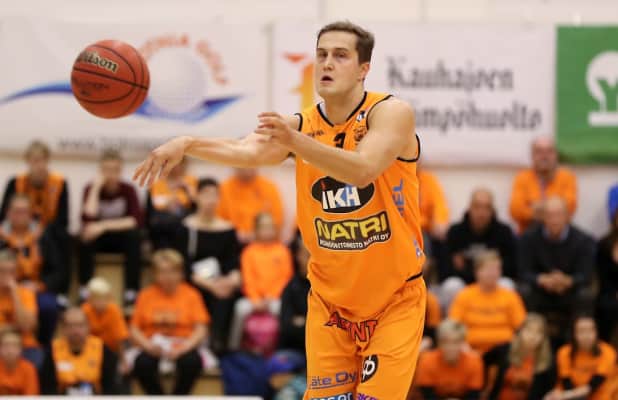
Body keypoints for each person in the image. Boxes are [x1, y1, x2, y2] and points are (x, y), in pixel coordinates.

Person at [134, 21, 427, 399]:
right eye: (321, 54)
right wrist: (189, 143)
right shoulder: (301, 126)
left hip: (392, 302)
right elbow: (246, 150)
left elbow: (363, 170)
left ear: (363, 69)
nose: (327, 63)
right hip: (331, 306)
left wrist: (295, 142)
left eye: (340, 55)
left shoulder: (390, 113)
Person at [173, 177, 241, 354]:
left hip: (220, 281)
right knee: (200, 294)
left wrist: (231, 280)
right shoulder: (186, 227)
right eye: (206, 194)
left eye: (214, 195)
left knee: (228, 295)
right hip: (196, 281)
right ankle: (196, 342)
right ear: (196, 197)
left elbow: (232, 262)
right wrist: (211, 285)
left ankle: (218, 345)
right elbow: (184, 265)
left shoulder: (227, 229)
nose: (211, 200)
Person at [130, 249, 210, 395]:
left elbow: (201, 328)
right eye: (162, 272)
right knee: (142, 363)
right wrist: (148, 346)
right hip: (153, 344)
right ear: (154, 274)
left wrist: (184, 347)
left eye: (173, 271)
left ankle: (179, 396)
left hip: (183, 343)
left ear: (181, 273)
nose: (168, 277)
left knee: (192, 362)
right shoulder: (145, 295)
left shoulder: (192, 295)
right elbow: (134, 329)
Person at [518, 196, 595, 343]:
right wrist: (542, 279)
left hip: (569, 290)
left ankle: (574, 344)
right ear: (542, 217)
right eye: (549, 215)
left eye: (558, 214)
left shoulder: (583, 240)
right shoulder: (528, 238)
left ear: (567, 216)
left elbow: (586, 274)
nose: (554, 220)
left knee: (585, 295)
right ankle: (531, 341)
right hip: (540, 289)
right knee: (524, 291)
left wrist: (567, 281)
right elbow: (523, 271)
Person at [0, 141, 71, 294]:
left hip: (44, 231)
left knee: (62, 237)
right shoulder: (15, 182)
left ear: (48, 161)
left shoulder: (59, 183)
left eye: (42, 160)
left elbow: (63, 220)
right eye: (35, 160)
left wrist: (40, 231)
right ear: (28, 161)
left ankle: (60, 292)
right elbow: (4, 214)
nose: (39, 165)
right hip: (16, 229)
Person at [78, 149, 143, 306]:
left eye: (115, 170)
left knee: (135, 236)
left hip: (120, 238)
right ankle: (85, 289)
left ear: (120, 171)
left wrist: (103, 226)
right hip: (98, 239)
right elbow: (87, 218)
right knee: (84, 236)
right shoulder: (90, 188)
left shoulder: (128, 190)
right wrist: (96, 188)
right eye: (107, 170)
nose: (111, 174)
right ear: (100, 171)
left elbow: (135, 220)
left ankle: (131, 291)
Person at [0, 194, 62, 347]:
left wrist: (39, 285)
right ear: (8, 213)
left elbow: (57, 270)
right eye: (16, 211)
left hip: (35, 287)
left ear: (31, 214)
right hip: (3, 287)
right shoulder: (2, 237)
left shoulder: (43, 236)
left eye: (24, 211)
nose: (20, 216)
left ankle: (44, 346)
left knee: (49, 306)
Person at [228, 212, 293, 351]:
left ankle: (280, 349)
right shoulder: (249, 252)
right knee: (240, 308)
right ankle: (233, 348)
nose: (267, 231)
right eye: (263, 227)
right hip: (253, 299)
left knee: (282, 310)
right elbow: (248, 279)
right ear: (256, 229)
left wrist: (271, 297)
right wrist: (255, 299)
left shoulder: (282, 251)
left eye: (270, 227)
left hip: (275, 299)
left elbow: (286, 278)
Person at [449, 250, 526, 354]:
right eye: (488, 269)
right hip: (470, 350)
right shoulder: (464, 295)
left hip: (504, 352)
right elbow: (453, 327)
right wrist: (464, 347)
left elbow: (522, 327)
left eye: (496, 269)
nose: (492, 273)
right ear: (477, 271)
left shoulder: (511, 296)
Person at [39, 307, 119, 395]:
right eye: (70, 326)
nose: (75, 331)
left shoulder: (101, 349)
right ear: (63, 328)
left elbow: (110, 387)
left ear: (88, 326)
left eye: (80, 325)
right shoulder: (53, 350)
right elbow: (47, 388)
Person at [445, 188, 517, 284]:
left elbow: (511, 268)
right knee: (452, 284)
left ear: (492, 210)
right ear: (470, 208)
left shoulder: (504, 232)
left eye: (487, 207)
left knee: (507, 283)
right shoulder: (455, 232)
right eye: (477, 206)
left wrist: (488, 273)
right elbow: (446, 268)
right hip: (464, 283)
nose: (481, 212)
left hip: (493, 282)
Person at [510, 136, 577, 234]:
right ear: (532, 155)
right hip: (528, 236)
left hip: (558, 236)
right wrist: (554, 210)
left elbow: (569, 209)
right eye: (539, 151)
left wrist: (535, 207)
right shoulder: (522, 178)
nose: (544, 156)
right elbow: (516, 211)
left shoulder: (567, 178)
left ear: (556, 155)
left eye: (549, 151)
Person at [483, 313, 555, 400]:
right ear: (520, 332)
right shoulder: (504, 350)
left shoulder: (548, 363)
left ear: (544, 337)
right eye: (529, 331)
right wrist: (486, 385)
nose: (533, 336)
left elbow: (547, 392)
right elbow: (483, 360)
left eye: (538, 333)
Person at [544, 316, 617, 400]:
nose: (586, 335)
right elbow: (566, 382)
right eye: (581, 331)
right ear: (574, 334)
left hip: (597, 395)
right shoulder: (564, 352)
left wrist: (566, 395)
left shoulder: (608, 352)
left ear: (597, 332)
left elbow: (594, 384)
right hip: (569, 394)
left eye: (591, 330)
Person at [413, 319, 484, 400]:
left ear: (463, 343)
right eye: (445, 342)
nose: (450, 347)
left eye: (455, 342)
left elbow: (474, 395)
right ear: (439, 343)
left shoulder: (474, 362)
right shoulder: (427, 361)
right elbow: (427, 394)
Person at [216, 167, 284, 243]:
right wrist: (235, 234)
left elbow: (277, 220)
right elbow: (218, 219)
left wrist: (258, 234)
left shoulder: (269, 187)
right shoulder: (224, 188)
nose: (247, 168)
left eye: (251, 163)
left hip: (263, 241)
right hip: (231, 241)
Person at [0, 248, 42, 368]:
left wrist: (15, 293)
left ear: (17, 273)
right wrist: (14, 327)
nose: (7, 276)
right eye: (2, 271)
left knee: (37, 361)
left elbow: (26, 327)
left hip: (25, 345)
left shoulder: (26, 293)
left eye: (11, 272)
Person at [146, 158, 197, 249]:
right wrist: (169, 202)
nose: (176, 166)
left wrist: (188, 191)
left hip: (184, 222)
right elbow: (151, 210)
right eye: (172, 163)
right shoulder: (156, 184)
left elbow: (197, 205)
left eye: (180, 163)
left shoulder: (191, 182)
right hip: (162, 224)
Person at [81, 277, 129, 355]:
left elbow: (120, 338)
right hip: (90, 349)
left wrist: (123, 358)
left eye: (104, 298)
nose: (100, 302)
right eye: (96, 298)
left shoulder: (114, 310)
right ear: (90, 299)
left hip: (111, 349)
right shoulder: (85, 310)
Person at [595, 209, 618, 342]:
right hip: (610, 292)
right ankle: (605, 345)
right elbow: (603, 277)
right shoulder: (604, 244)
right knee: (608, 306)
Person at [0, 328, 39, 395]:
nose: (10, 350)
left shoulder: (29, 368)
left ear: (21, 348)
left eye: (14, 345)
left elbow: (31, 396)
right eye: (6, 345)